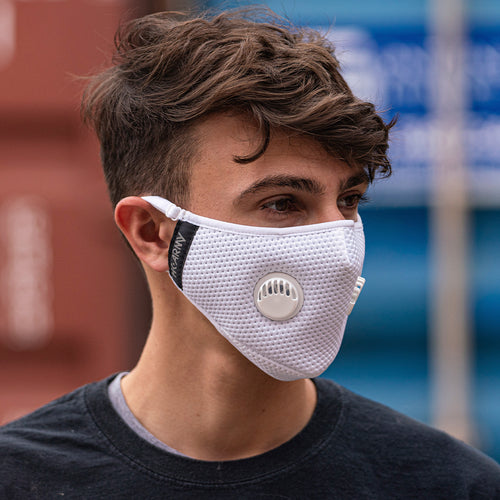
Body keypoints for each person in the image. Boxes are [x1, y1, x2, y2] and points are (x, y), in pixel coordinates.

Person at [1, 7, 499, 499]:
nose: (339, 252)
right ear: (152, 233)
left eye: (348, 201)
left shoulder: (452, 485)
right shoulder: (20, 480)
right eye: (282, 204)